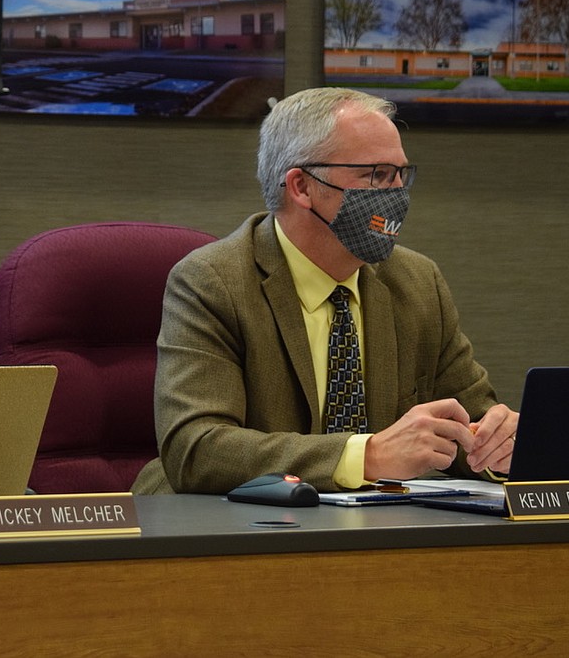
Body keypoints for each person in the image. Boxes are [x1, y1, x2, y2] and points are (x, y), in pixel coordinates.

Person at [132, 87, 518, 495]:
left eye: (402, 175)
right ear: (301, 186)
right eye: (377, 175)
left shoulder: (418, 282)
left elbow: (471, 424)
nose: (397, 194)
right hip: (236, 532)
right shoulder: (212, 281)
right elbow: (197, 449)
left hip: (383, 533)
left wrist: (498, 446)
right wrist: (365, 456)